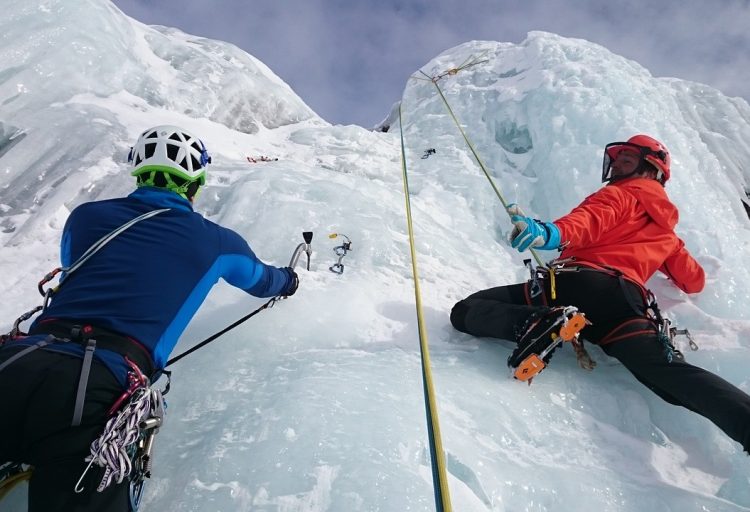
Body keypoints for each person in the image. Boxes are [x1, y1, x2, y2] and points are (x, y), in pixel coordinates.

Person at [0, 125, 299, 511]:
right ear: (196, 183)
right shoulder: (217, 241)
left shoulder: (87, 217)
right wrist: (289, 281)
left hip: (19, 360)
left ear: (137, 171)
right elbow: (261, 280)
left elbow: (73, 266)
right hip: (100, 384)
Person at [450, 134, 750, 453]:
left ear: (652, 169)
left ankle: (542, 321)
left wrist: (548, 233)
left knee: (466, 310)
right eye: (617, 161)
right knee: (669, 376)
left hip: (576, 284)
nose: (618, 167)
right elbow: (694, 281)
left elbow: (588, 221)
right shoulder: (667, 234)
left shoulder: (620, 195)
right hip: (624, 306)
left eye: (627, 161)